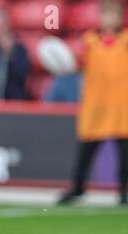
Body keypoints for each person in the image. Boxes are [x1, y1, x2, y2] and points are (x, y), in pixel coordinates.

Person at [57, 0, 128, 206]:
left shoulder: (125, 41)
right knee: (85, 152)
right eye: (107, 14)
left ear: (120, 17)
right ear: (101, 16)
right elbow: (75, 64)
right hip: (95, 106)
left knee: (125, 156)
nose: (110, 19)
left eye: (114, 14)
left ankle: (124, 192)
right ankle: (77, 188)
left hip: (121, 107)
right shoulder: (89, 41)